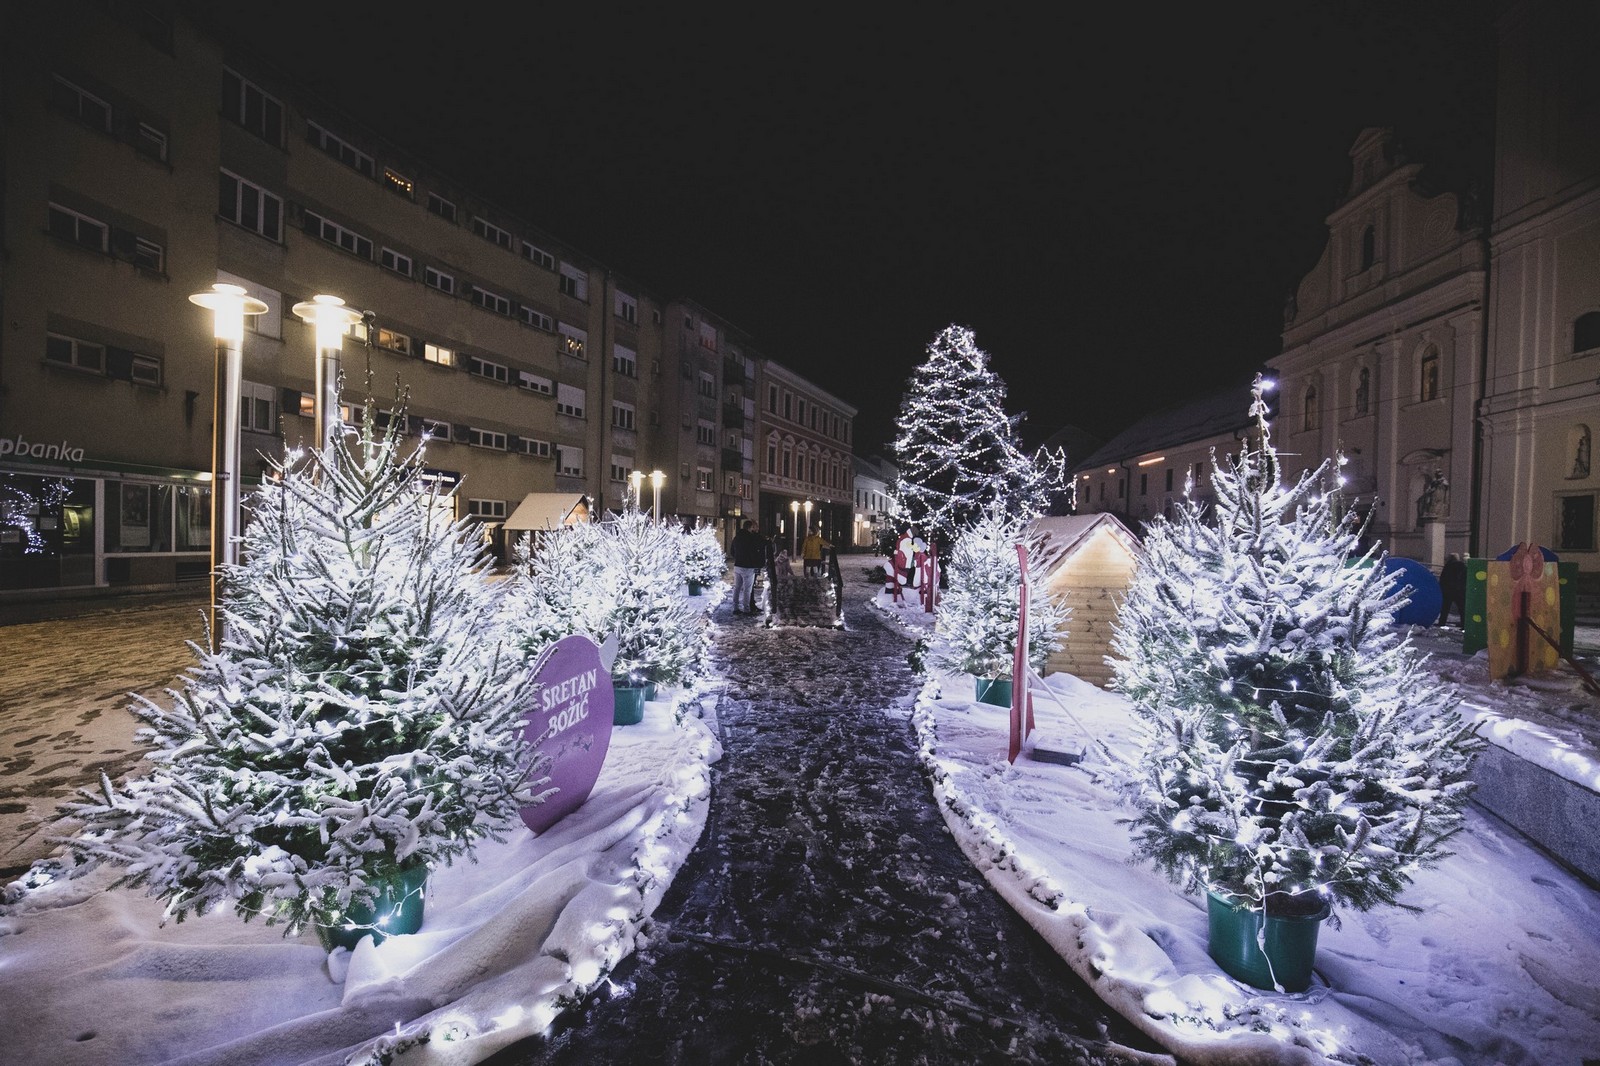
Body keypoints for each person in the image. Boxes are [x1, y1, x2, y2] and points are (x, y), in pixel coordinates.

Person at [729, 519, 768, 615]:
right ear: (750, 528)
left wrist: (738, 557)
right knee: (747, 589)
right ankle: (746, 609)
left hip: (737, 565)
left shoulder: (736, 537)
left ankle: (735, 608)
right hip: (748, 567)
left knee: (737, 588)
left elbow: (732, 551)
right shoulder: (751, 538)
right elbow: (756, 550)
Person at [1438, 553, 1467, 626]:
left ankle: (1442, 622)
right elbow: (1465, 578)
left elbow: (1443, 578)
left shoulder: (1448, 566)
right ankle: (1464, 624)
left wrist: (1442, 588)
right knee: (1462, 608)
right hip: (1460, 591)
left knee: (1445, 608)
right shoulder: (1463, 566)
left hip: (1448, 591)